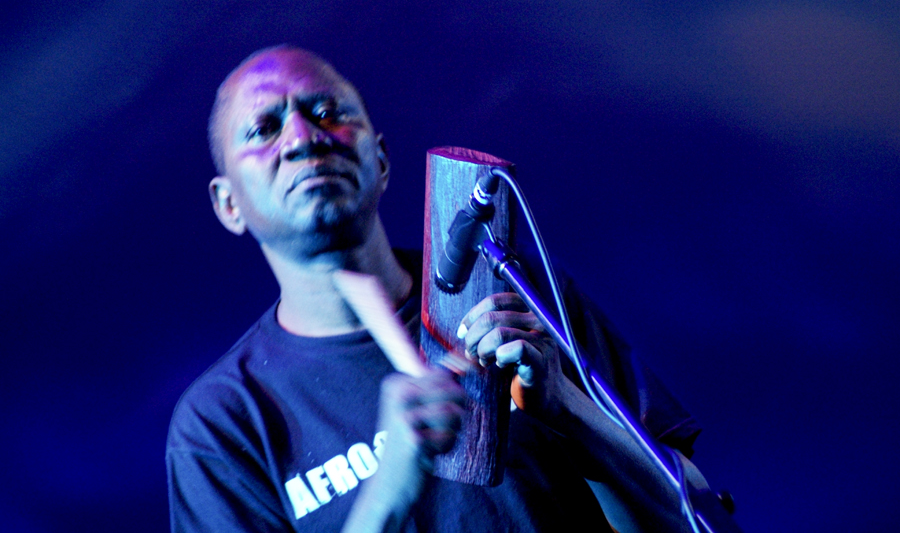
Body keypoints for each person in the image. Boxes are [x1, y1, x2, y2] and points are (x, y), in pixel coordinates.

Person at [166, 46, 706, 532]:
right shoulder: (222, 421)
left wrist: (568, 408)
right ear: (227, 204)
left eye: (327, 113)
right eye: (264, 129)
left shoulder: (515, 291)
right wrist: (387, 495)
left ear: (379, 161)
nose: (304, 138)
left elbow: (696, 508)